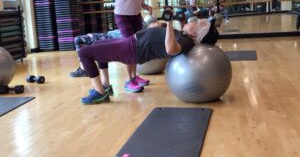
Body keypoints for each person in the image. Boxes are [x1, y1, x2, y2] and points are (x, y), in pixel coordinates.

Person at [78, 18, 219, 105]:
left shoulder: (186, 41)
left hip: (132, 49)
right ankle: (105, 85)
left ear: (195, 34)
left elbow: (170, 49)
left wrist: (169, 23)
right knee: (96, 45)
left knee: (84, 53)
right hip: (132, 43)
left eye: (196, 23)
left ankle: (100, 93)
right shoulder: (184, 36)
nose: (192, 21)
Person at [106, 0, 152, 93]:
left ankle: (134, 76)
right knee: (129, 46)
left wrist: (144, 5)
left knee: (136, 46)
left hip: (136, 15)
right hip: (123, 16)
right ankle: (129, 80)